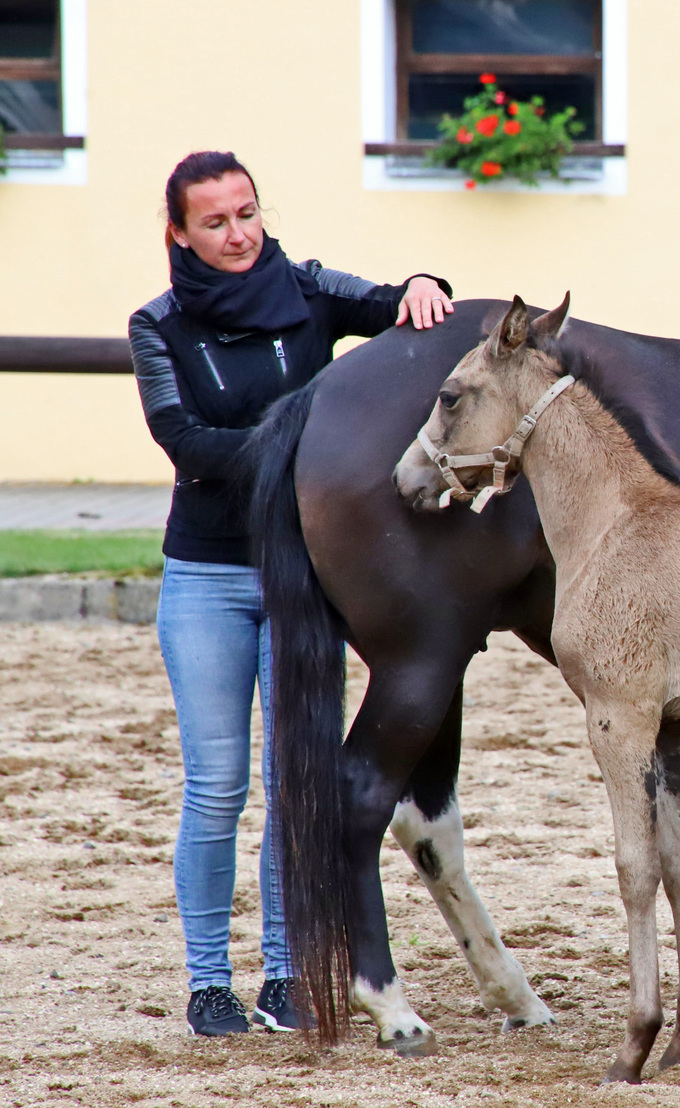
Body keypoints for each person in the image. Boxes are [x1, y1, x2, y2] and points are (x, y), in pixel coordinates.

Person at [129, 151, 453, 1036]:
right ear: (180, 232)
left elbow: (397, 300)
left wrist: (424, 283)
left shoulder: (308, 290)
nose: (238, 235)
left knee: (297, 779)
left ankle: (281, 974)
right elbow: (187, 443)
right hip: (206, 577)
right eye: (215, 221)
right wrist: (315, 460)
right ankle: (207, 982)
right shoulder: (156, 326)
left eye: (247, 213)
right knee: (216, 784)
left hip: (306, 579)